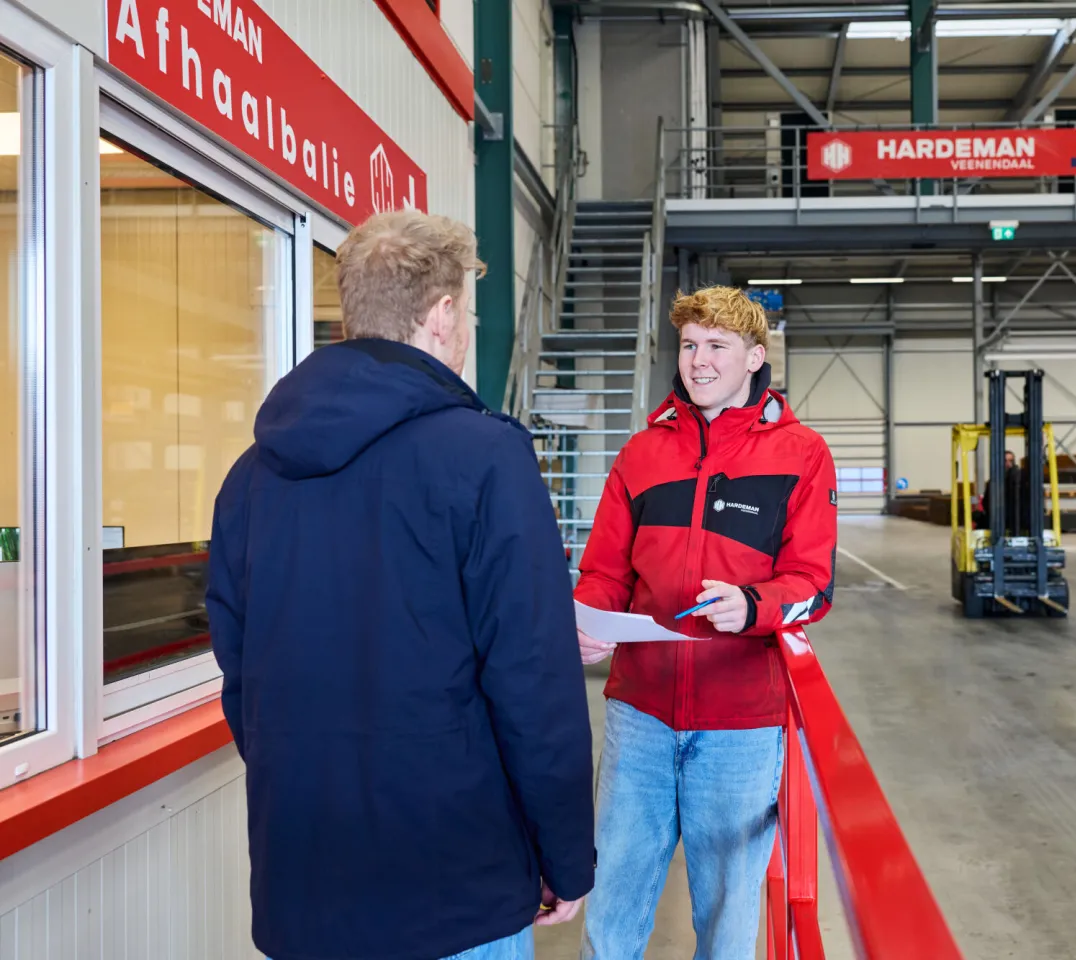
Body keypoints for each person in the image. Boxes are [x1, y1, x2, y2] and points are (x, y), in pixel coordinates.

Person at [206, 211, 595, 960]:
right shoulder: (487, 458)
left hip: (303, 883)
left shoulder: (250, 478)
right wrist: (566, 855)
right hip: (457, 891)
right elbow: (532, 679)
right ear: (442, 314)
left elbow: (240, 675)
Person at [573, 286, 838, 960]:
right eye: (690, 345)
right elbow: (606, 569)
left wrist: (753, 606)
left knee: (725, 917)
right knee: (614, 901)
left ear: (754, 357)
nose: (698, 360)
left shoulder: (801, 454)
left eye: (716, 346)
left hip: (740, 726)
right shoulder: (642, 454)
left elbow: (812, 584)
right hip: (641, 715)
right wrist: (592, 618)